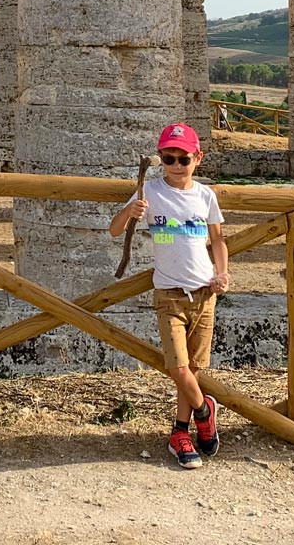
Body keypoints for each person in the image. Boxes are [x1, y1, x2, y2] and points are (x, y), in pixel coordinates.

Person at [107, 122, 229, 469]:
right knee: (177, 367)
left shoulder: (206, 196)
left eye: (182, 159)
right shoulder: (150, 192)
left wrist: (222, 273)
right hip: (169, 294)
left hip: (205, 293)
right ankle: (205, 412)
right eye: (168, 158)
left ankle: (180, 432)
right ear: (160, 158)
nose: (175, 165)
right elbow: (115, 231)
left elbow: (218, 240)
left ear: (197, 159)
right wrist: (128, 212)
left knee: (191, 369)